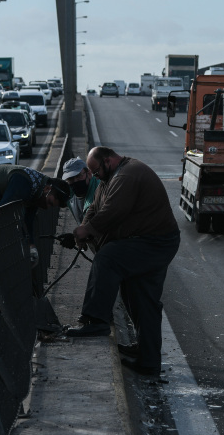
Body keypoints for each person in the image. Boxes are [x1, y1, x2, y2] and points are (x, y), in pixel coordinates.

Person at [65, 147, 181, 378]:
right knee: (140, 297)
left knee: (108, 258)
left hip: (155, 242)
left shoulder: (127, 175)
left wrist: (88, 230)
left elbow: (112, 212)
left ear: (108, 160)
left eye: (96, 171)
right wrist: (84, 229)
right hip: (147, 241)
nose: (94, 176)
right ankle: (148, 359)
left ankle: (95, 320)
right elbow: (95, 208)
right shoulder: (109, 177)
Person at [61, 156, 100, 224]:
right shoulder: (70, 195)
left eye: (79, 176)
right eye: (70, 179)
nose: (75, 181)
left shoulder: (100, 190)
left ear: (89, 174)